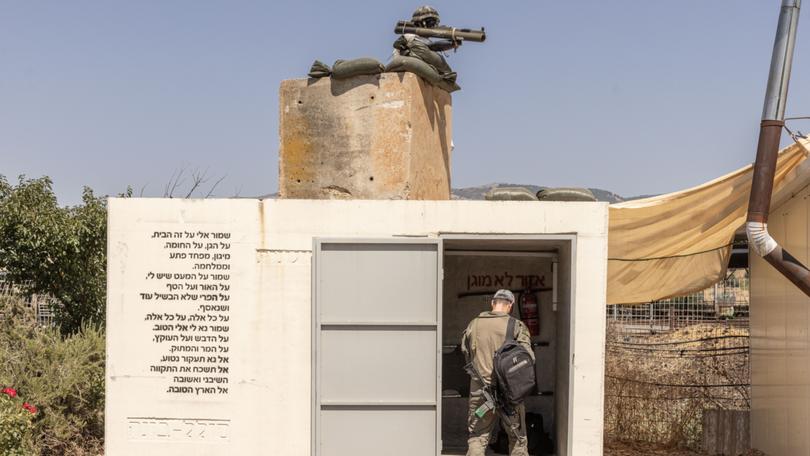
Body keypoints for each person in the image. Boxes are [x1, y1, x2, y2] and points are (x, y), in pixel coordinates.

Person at [461, 289, 534, 456]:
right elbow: (529, 358)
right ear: (510, 306)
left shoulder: (474, 324)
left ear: (493, 303)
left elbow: (466, 354)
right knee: (517, 439)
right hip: (510, 392)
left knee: (477, 437)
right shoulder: (516, 326)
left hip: (480, 390)